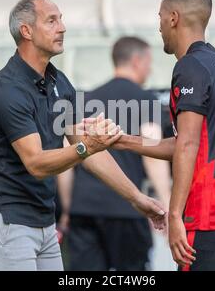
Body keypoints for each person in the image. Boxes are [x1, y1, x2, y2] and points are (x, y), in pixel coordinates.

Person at [0, 0, 166, 271]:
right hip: (8, 222)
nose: (62, 27)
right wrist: (87, 146)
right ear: (26, 31)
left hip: (42, 221)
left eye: (61, 19)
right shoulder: (7, 89)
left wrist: (137, 198)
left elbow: (90, 152)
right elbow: (37, 163)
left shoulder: (58, 81)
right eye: (51, 20)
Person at [112, 0, 215, 271]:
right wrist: (121, 140)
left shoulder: (190, 66)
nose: (160, 26)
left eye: (160, 17)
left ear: (174, 18)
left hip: (208, 213)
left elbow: (188, 145)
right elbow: (187, 143)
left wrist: (175, 214)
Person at [58, 36, 172, 271]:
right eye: (149, 62)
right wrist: (167, 206)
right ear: (137, 61)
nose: (149, 70)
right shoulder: (145, 100)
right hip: (126, 211)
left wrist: (68, 208)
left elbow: (67, 158)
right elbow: (152, 153)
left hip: (84, 209)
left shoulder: (85, 100)